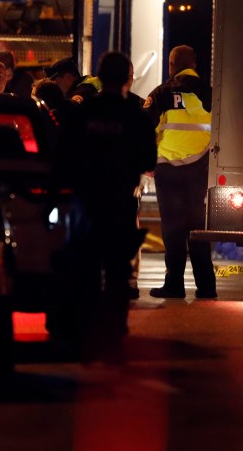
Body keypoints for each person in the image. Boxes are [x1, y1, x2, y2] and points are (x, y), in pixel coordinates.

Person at [54, 51, 157, 359]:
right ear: (128, 78)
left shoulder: (82, 113)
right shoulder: (136, 116)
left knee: (85, 267)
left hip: (86, 203)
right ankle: (114, 330)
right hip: (119, 203)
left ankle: (86, 330)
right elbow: (148, 161)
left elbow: (63, 156)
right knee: (116, 271)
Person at [143, 45, 217, 300]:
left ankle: (174, 285)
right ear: (194, 64)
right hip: (200, 168)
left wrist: (147, 162)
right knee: (198, 227)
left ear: (171, 65)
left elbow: (143, 128)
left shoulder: (161, 93)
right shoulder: (210, 93)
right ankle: (207, 287)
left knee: (173, 229)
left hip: (167, 169)